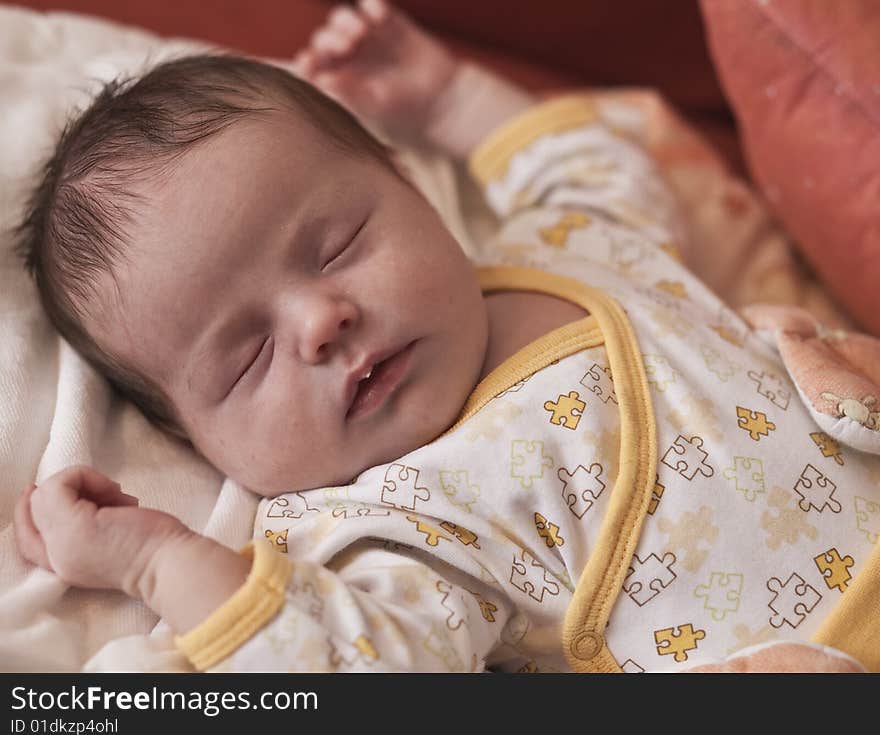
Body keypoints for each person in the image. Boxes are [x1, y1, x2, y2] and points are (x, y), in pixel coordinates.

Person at [12, 0, 878, 672]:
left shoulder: (558, 246)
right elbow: (355, 669)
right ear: (191, 438)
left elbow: (593, 167)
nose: (319, 322)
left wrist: (453, 96)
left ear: (415, 193)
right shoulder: (393, 520)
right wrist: (155, 559)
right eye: (247, 358)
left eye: (337, 245)